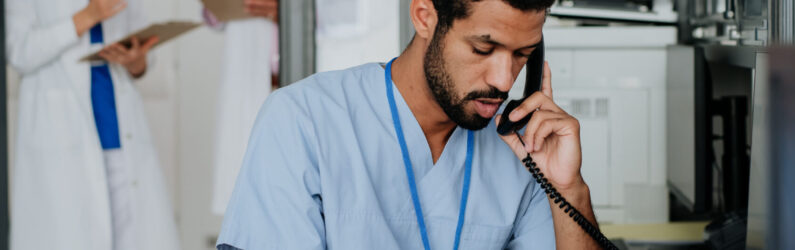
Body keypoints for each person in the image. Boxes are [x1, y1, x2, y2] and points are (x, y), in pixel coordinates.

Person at [217, 0, 603, 249]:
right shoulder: (303, 121)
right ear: (424, 17)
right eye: (483, 49)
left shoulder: (526, 152)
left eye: (523, 55)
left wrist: (569, 190)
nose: (504, 81)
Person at [5, 0, 180, 249]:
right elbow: (18, 51)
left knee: (135, 234)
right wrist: (86, 17)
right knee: (67, 234)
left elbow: (145, 54)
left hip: (121, 131)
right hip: (60, 133)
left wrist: (136, 61)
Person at [201, 0, 280, 215]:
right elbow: (214, 18)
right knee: (254, 203)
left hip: (306, 71)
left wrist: (290, 11)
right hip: (251, 81)